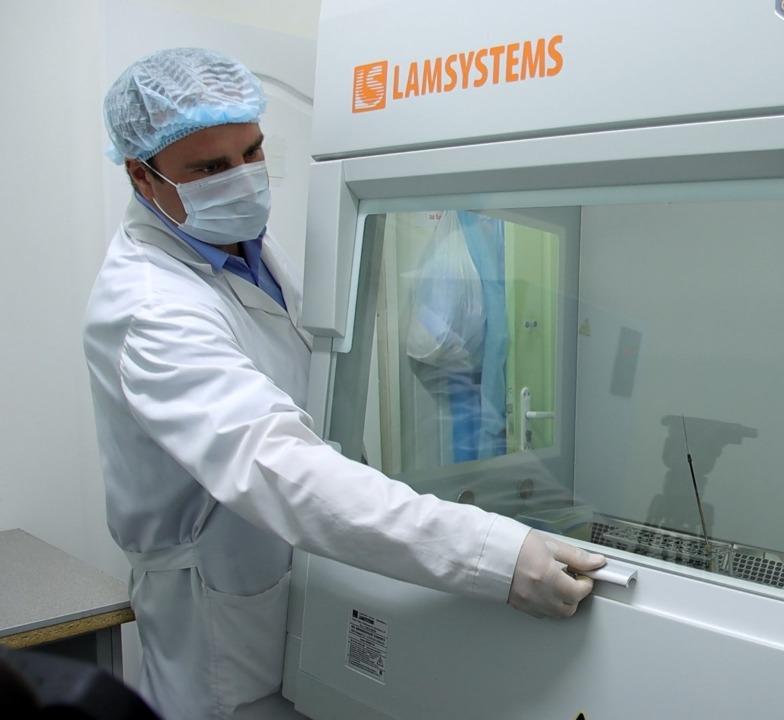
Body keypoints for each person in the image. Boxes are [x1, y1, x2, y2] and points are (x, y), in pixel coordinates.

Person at [83, 48, 605, 720]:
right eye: (210, 168)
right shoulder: (148, 308)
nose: (242, 179)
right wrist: (491, 553)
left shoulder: (247, 248)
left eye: (252, 151)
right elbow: (279, 465)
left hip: (303, 586)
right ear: (141, 174)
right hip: (220, 625)